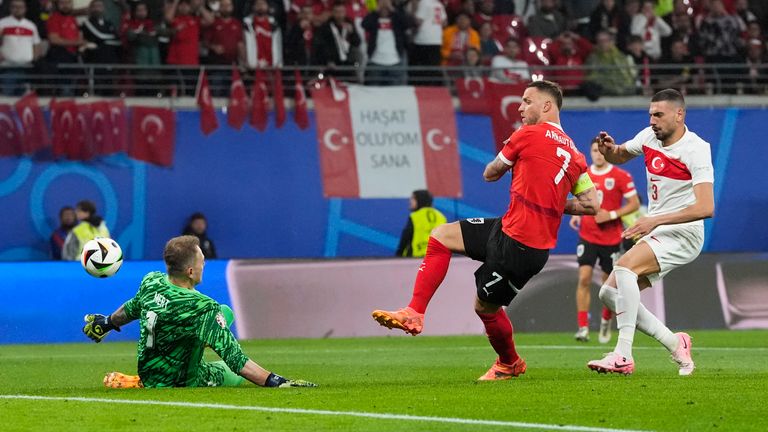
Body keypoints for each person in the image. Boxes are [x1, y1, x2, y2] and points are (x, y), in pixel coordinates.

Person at [372, 80, 598, 381]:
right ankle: (415, 311)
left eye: (527, 101)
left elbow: (490, 173)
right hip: (511, 231)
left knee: (485, 307)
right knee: (441, 235)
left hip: (520, 247)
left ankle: (510, 363)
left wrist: (511, 153)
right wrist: (553, 202)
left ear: (547, 106)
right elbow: (591, 205)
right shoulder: (576, 156)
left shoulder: (525, 134)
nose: (520, 107)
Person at [587, 88, 714, 376]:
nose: (652, 120)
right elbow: (620, 155)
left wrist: (655, 221)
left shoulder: (695, 149)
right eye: (650, 114)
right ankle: (675, 343)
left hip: (684, 232)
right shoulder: (648, 137)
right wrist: (610, 150)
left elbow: (706, 207)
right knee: (609, 294)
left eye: (659, 114)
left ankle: (622, 355)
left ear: (679, 115)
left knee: (624, 268)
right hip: (658, 230)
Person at [82, 235, 317, 389]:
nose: (205, 265)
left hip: (150, 369)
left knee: (224, 312)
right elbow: (237, 361)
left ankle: (148, 376)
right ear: (191, 271)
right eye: (203, 261)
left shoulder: (151, 281)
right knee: (226, 369)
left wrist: (107, 323)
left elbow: (132, 308)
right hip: (182, 381)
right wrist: (276, 381)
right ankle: (197, 343)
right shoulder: (203, 307)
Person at [569, 137, 640, 343]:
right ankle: (582, 327)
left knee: (608, 286)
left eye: (601, 151)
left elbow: (634, 204)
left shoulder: (620, 175)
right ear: (589, 153)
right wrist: (576, 214)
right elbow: (579, 200)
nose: (597, 154)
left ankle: (605, 321)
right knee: (583, 277)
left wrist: (610, 215)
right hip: (587, 235)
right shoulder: (584, 175)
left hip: (610, 237)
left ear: (606, 152)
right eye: (594, 151)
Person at [0, 0, 43, 96]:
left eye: (20, 7)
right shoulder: (2, 23)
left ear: (25, 9)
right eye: (15, 7)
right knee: (7, 98)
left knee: (24, 101)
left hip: (27, 68)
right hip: (8, 68)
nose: (18, 9)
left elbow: (37, 44)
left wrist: (34, 58)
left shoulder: (31, 25)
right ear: (10, 8)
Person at [395, 190, 447, 258]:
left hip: (417, 258)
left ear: (420, 199)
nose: (410, 201)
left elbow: (406, 237)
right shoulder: (441, 217)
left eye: (413, 198)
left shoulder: (415, 216)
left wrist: (398, 255)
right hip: (438, 257)